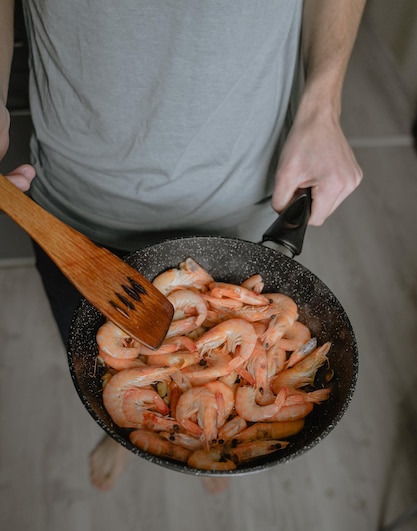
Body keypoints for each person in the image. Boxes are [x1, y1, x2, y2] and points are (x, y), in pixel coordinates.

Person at [1, 0, 365, 491]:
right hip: (74, 203)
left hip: (244, 191)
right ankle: (145, 424)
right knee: (93, 355)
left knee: (121, 356)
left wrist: (324, 105)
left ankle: (212, 435)